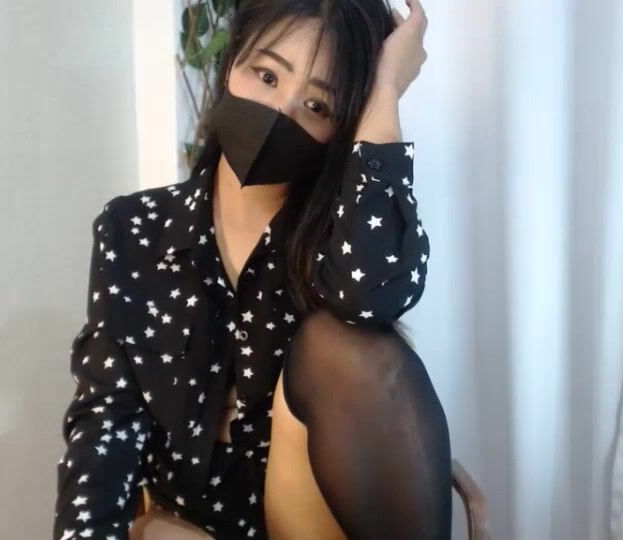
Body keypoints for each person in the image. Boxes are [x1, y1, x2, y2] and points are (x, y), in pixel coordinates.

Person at [53, 0, 451, 538]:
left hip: (311, 521)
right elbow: (107, 418)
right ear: (231, 63)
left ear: (343, 127)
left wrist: (383, 91)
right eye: (266, 76)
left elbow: (376, 296)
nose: (280, 111)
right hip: (192, 521)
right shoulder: (134, 227)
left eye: (317, 105)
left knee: (344, 341)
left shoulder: (342, 244)